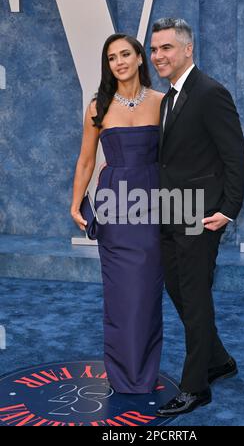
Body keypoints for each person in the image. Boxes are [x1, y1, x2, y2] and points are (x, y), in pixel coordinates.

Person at [150, 18, 244, 416]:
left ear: (187, 50)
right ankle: (218, 360)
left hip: (200, 212)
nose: (157, 56)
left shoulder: (210, 93)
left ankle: (196, 387)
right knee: (182, 293)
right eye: (154, 49)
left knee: (193, 296)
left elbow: (236, 156)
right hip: (171, 211)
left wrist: (228, 209)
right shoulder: (168, 96)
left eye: (166, 48)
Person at [70, 34, 164, 393]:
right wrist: (76, 202)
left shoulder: (162, 102)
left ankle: (145, 371)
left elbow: (177, 158)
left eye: (126, 54)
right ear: (107, 66)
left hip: (154, 203)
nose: (120, 62)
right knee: (121, 292)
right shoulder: (98, 106)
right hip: (114, 205)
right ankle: (124, 375)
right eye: (112, 58)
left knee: (147, 292)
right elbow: (86, 160)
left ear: (140, 58)